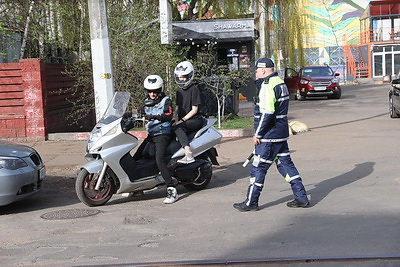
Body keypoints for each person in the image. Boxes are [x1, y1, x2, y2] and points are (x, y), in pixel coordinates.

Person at [233, 57, 309, 212]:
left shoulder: (267, 86)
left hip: (269, 135)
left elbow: (267, 113)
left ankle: (251, 202)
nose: (255, 73)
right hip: (281, 133)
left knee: (258, 168)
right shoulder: (280, 83)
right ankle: (301, 197)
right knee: (286, 165)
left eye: (256, 70)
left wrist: (258, 134)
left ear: (262, 70)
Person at [133, 75, 178, 204]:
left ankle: (172, 189)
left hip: (162, 134)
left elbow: (168, 115)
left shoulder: (166, 101)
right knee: (136, 157)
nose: (152, 94)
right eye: (150, 91)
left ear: (160, 90)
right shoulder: (146, 101)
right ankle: (137, 187)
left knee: (159, 160)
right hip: (151, 135)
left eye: (155, 91)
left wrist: (152, 116)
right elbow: (140, 112)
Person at [172, 61, 203, 164]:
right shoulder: (178, 91)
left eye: (184, 76)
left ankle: (188, 154)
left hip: (195, 120)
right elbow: (178, 107)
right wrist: (174, 119)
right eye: (179, 76)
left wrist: (181, 121)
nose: (181, 79)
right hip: (183, 120)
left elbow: (194, 110)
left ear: (190, 76)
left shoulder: (194, 89)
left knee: (178, 128)